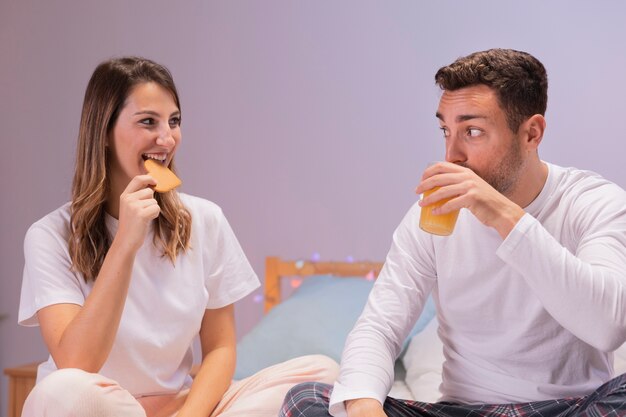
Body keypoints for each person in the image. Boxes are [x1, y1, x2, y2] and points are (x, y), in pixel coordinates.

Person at [280, 48, 626, 417]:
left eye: (473, 131)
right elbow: (379, 327)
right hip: (462, 411)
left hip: (571, 409)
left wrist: (501, 214)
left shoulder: (594, 202)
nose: (452, 155)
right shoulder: (428, 215)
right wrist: (365, 407)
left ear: (532, 133)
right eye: (447, 130)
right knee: (308, 398)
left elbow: (607, 326)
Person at [18, 56, 338, 417]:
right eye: (148, 122)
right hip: (101, 404)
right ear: (104, 133)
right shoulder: (50, 234)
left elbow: (220, 348)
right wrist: (125, 242)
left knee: (321, 373)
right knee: (60, 391)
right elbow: (77, 362)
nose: (166, 138)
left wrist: (190, 415)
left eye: (174, 121)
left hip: (180, 406)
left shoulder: (205, 219)